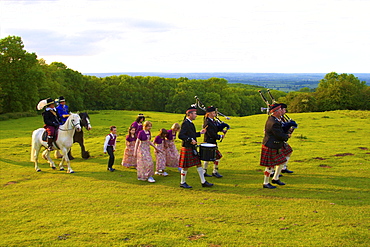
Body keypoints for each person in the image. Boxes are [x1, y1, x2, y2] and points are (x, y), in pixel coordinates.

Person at [178, 106, 213, 188]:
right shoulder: (185, 123)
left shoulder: (190, 123)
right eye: (195, 113)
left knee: (198, 164)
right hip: (187, 147)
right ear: (190, 114)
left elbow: (191, 134)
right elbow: (181, 135)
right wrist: (190, 140)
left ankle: (203, 182)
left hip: (192, 147)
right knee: (185, 166)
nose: (196, 115)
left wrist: (200, 133)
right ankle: (182, 183)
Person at [260, 104, 291, 189]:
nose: (282, 111)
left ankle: (275, 178)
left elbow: (281, 130)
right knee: (269, 166)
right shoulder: (273, 122)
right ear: (276, 112)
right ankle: (265, 183)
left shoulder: (275, 119)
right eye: (280, 110)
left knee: (281, 162)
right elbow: (279, 135)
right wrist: (287, 136)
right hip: (271, 145)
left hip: (275, 144)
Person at [202, 106, 225, 178]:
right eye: (213, 112)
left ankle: (204, 171)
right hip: (209, 142)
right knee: (216, 157)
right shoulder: (207, 122)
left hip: (212, 142)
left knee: (209, 157)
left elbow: (215, 129)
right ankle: (214, 171)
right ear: (209, 114)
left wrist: (221, 130)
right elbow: (211, 133)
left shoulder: (212, 121)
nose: (215, 113)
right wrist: (219, 136)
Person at [280, 104, 294, 174]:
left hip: (282, 139)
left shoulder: (282, 118)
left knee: (289, 151)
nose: (285, 111)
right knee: (275, 157)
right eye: (284, 110)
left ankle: (283, 167)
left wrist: (291, 128)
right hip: (277, 139)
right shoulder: (276, 118)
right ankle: (272, 172)